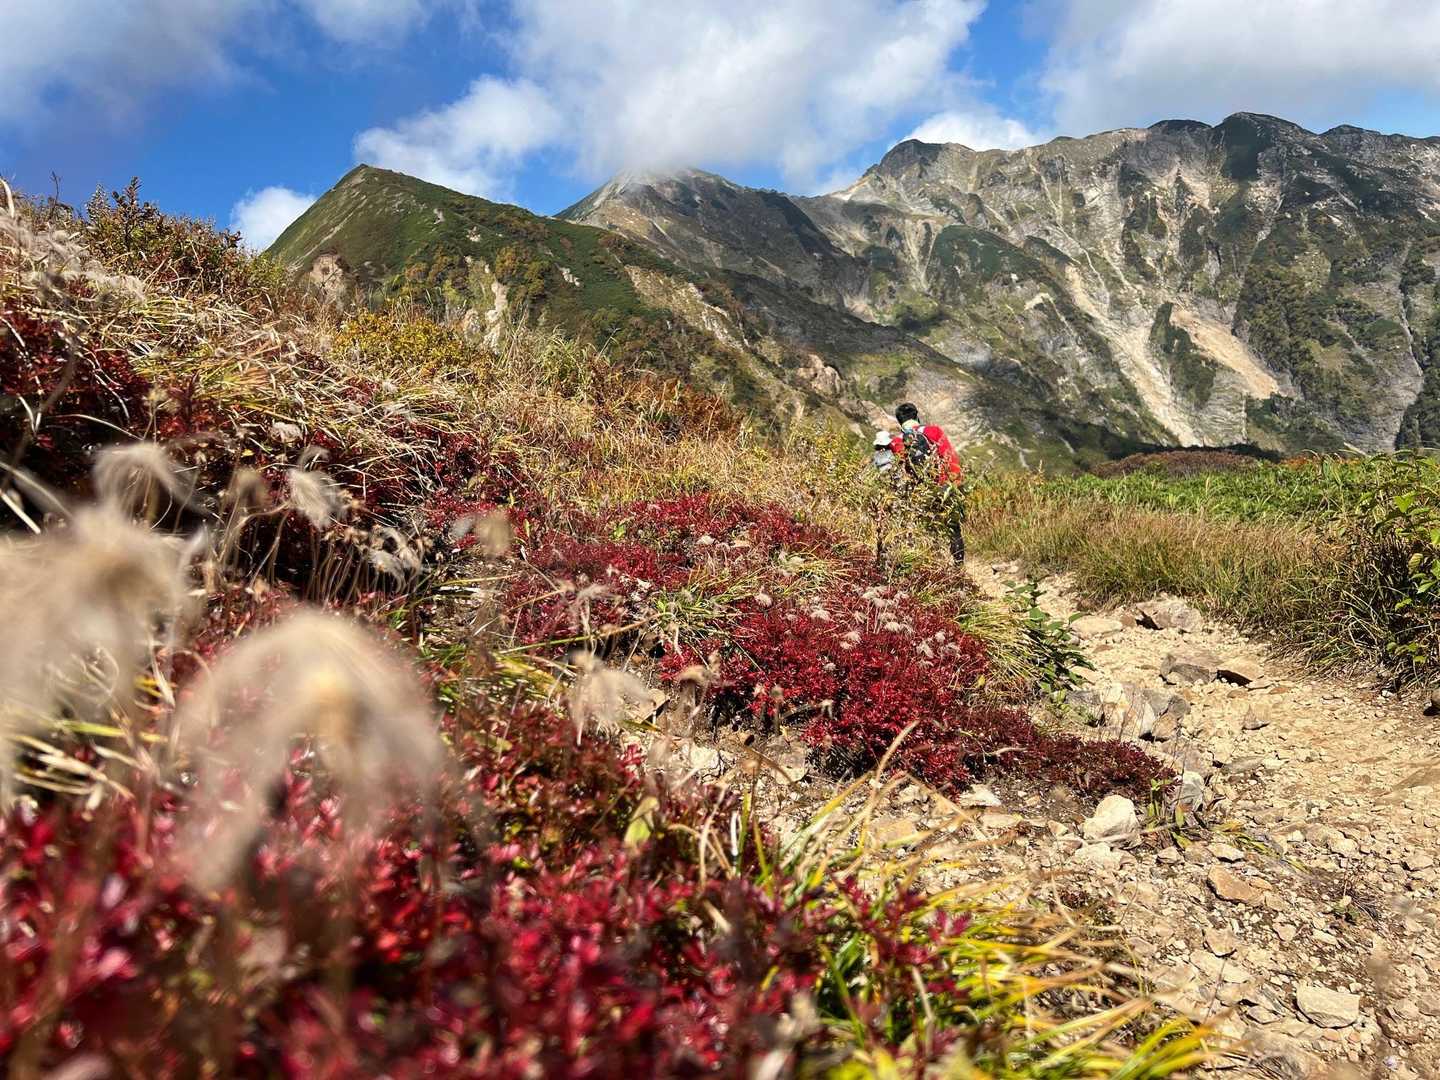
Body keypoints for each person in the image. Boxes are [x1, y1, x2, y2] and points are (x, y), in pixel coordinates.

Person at [889, 402, 966, 562]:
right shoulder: (933, 431)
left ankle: (931, 565)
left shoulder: (896, 442)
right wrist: (956, 484)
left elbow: (901, 472)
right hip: (942, 486)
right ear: (916, 416)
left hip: (919, 493)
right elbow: (950, 457)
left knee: (924, 530)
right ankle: (958, 565)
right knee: (953, 528)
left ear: (899, 421)